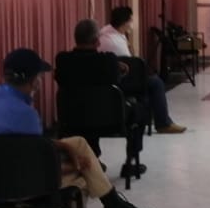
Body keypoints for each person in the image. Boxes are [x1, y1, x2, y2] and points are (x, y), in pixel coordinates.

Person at [0, 48, 157, 208]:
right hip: (20, 184)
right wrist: (78, 166)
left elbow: (23, 145)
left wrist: (70, 150)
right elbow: (36, 163)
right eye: (39, 77)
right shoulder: (26, 116)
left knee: (78, 143)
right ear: (32, 81)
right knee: (81, 180)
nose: (40, 82)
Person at [55, 18, 149, 174]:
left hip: (72, 117)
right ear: (97, 41)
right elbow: (117, 82)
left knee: (86, 107)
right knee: (140, 110)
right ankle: (130, 162)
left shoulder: (63, 60)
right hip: (109, 118)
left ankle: (93, 158)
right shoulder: (108, 60)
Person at [96, 6, 185, 134]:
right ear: (125, 22)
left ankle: (154, 116)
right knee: (156, 83)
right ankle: (163, 123)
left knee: (150, 80)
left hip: (108, 78)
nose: (132, 23)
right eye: (131, 20)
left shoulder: (105, 31)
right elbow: (130, 63)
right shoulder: (116, 42)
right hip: (121, 80)